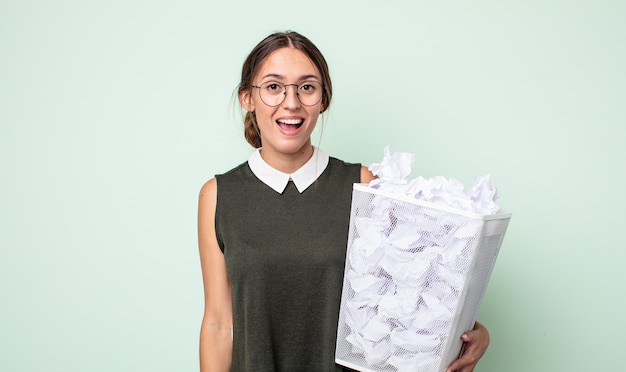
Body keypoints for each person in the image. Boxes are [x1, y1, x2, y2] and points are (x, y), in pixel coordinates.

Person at [198, 30, 490, 372]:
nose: (291, 102)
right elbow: (219, 323)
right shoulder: (219, 195)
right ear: (248, 98)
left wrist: (475, 333)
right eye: (274, 87)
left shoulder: (365, 186)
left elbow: (413, 298)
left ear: (323, 99)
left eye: (306, 87)